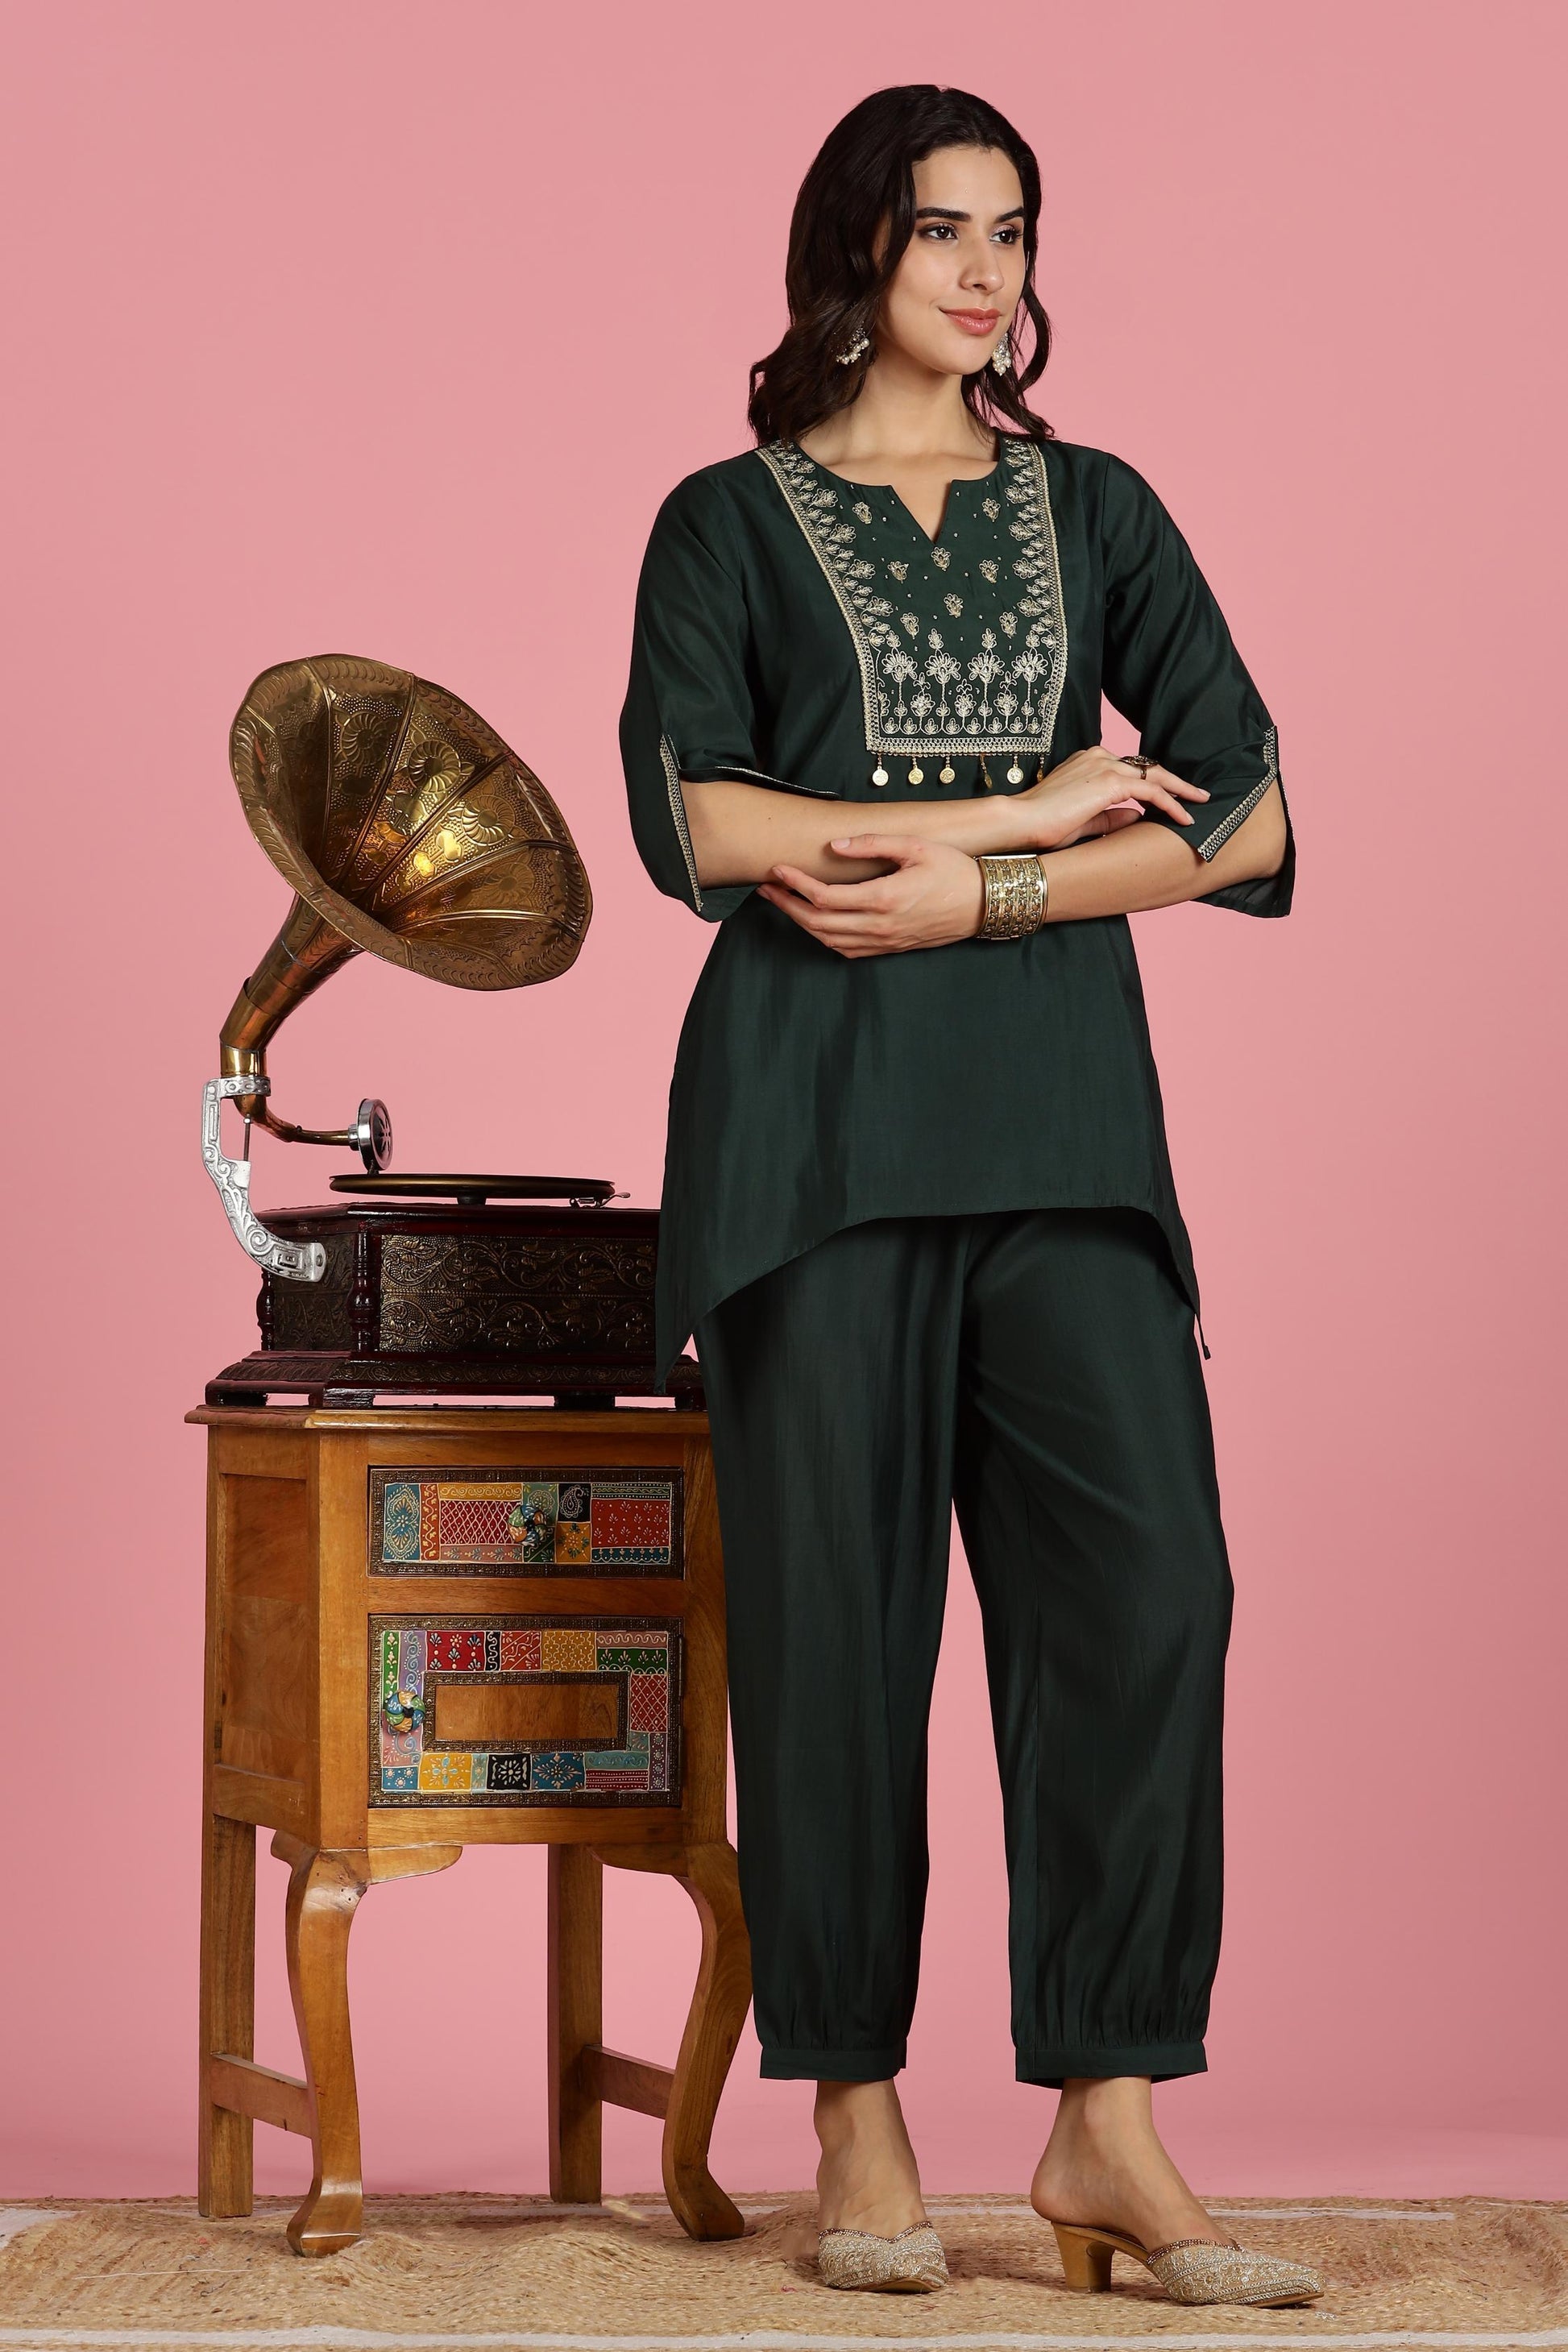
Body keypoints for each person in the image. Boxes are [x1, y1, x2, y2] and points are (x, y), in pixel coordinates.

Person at [620, 83, 1321, 2311]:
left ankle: (1108, 2119)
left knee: (1153, 1588)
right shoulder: (726, 524)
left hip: (1062, 1136)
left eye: (1011, 229)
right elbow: (702, 823)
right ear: (855, 248)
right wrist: (1026, 809)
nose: (987, 270)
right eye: (942, 228)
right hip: (811, 1148)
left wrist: (981, 894)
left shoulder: (1096, 508)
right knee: (835, 1627)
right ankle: (854, 2106)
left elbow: (1245, 817)